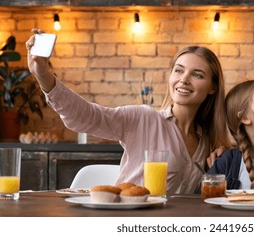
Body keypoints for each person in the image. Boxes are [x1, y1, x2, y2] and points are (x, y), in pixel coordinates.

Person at [25, 29, 230, 194]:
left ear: (212, 87)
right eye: (178, 70)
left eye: (197, 74)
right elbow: (85, 116)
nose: (184, 79)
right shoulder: (144, 119)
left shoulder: (208, 143)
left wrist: (226, 158)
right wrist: (44, 75)